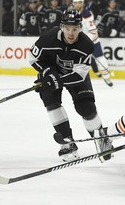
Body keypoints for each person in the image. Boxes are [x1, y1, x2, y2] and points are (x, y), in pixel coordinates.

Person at [29, 9, 112, 162]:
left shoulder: (86, 45)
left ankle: (101, 139)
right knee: (51, 101)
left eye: (74, 28)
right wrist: (48, 73)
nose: (71, 32)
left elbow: (79, 75)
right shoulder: (47, 38)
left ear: (80, 28)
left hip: (74, 74)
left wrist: (58, 80)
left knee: (85, 107)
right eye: (67, 28)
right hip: (50, 72)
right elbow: (33, 58)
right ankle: (67, 141)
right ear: (61, 27)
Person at [73, 0, 113, 87]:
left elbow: (93, 32)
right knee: (77, 61)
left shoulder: (87, 14)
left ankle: (106, 77)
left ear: (82, 3)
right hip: (79, 42)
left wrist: (86, 42)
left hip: (93, 41)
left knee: (100, 58)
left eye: (79, 2)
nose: (77, 5)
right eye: (75, 3)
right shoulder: (73, 14)